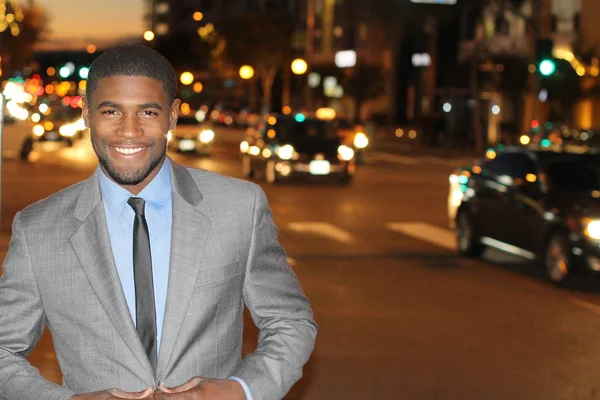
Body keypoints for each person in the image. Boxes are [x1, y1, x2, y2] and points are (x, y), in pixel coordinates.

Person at [0, 45, 317, 400]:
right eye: (111, 111)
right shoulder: (38, 229)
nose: (129, 131)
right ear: (87, 114)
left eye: (148, 112)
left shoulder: (240, 207)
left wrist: (240, 390)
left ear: (173, 115)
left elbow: (290, 322)